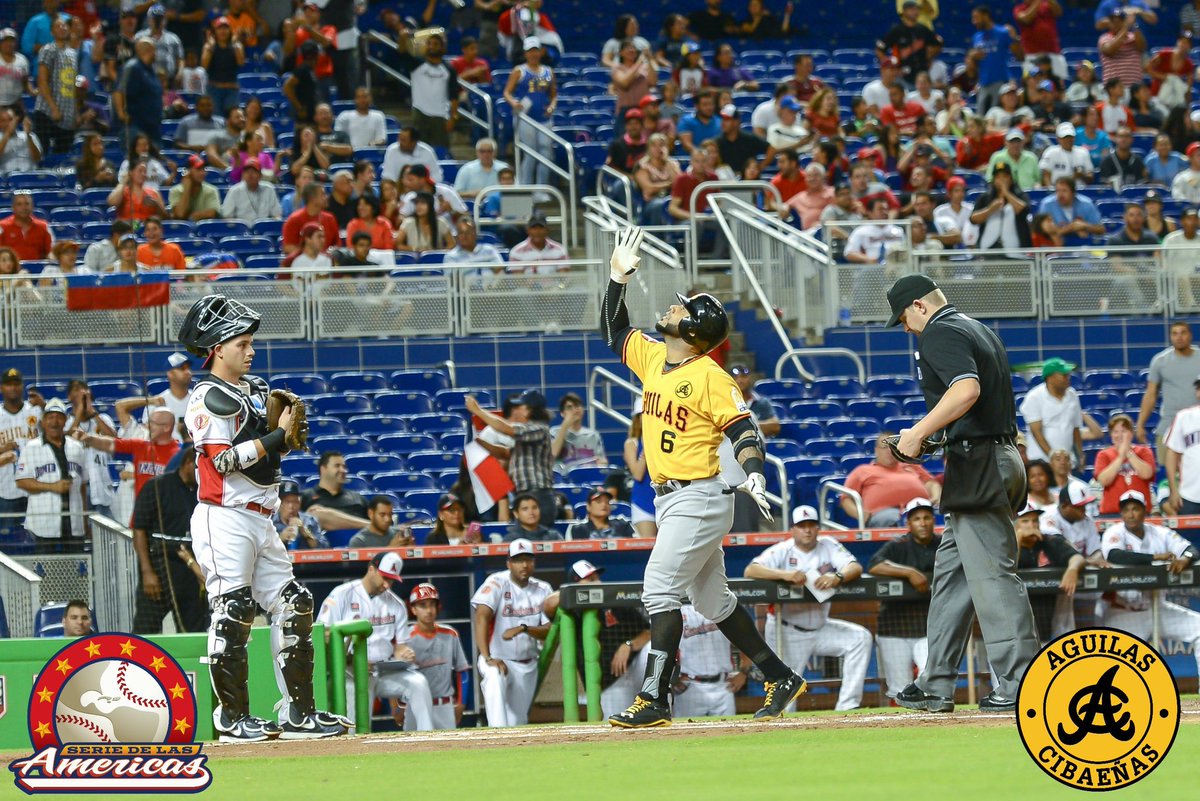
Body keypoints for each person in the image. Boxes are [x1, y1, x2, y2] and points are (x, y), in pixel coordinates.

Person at [600, 228, 806, 728]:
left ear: (692, 329)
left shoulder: (712, 376)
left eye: (680, 308)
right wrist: (615, 280)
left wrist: (754, 472)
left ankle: (653, 697)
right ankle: (779, 675)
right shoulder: (654, 357)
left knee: (658, 588)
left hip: (699, 496)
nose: (671, 309)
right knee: (711, 598)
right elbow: (614, 332)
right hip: (673, 499)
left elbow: (742, 428)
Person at [178, 294, 348, 741]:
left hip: (261, 516)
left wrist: (284, 438)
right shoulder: (205, 396)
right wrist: (277, 435)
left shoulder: (254, 388)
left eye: (251, 342)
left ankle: (298, 713)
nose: (251, 350)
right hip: (224, 515)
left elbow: (269, 453)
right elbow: (223, 463)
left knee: (295, 602)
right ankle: (230, 717)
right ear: (216, 348)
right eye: (242, 343)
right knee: (233, 610)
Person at [885, 273, 1038, 713]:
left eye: (904, 319)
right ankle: (935, 683)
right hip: (992, 456)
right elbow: (980, 403)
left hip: (982, 465)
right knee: (951, 579)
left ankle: (1020, 680)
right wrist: (934, 439)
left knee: (992, 578)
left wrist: (917, 432)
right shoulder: (977, 327)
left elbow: (966, 390)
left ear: (919, 306)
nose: (907, 329)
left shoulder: (938, 331)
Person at [744, 505, 872, 711]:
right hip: (788, 630)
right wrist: (785, 575)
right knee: (787, 698)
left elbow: (855, 567)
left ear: (818, 528)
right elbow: (751, 570)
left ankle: (847, 706)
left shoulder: (828, 545)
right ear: (793, 529)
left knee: (860, 638)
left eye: (811, 525)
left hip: (821, 628)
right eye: (802, 526)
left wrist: (837, 576)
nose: (807, 530)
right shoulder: (783, 550)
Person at [316, 552, 436, 731]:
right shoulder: (342, 595)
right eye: (385, 578)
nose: (387, 585)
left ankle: (423, 738)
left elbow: (400, 645)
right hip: (351, 672)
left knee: (418, 683)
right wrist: (351, 659)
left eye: (392, 580)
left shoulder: (395, 604)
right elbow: (323, 635)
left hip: (383, 670)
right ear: (371, 569)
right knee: (355, 728)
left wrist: (403, 654)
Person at [1099, 490, 1200, 676]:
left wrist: (1185, 559)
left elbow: (1190, 549)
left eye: (1135, 509)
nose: (1131, 514)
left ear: (1145, 511)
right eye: (1126, 509)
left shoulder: (1160, 533)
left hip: (1158, 608)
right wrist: (1155, 557)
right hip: (1124, 614)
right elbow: (1115, 555)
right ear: (1121, 513)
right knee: (1115, 666)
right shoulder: (1114, 532)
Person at [543, 559, 652, 718]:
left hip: (635, 668)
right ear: (575, 584)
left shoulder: (614, 600)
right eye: (591, 580)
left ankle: (660, 693)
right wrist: (576, 594)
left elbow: (650, 632)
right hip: (610, 684)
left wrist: (628, 645)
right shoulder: (573, 610)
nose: (598, 583)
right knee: (617, 728)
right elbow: (548, 604)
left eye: (597, 578)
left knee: (653, 649)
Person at [471, 538, 554, 726]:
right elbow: (481, 616)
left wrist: (523, 628)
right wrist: (487, 656)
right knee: (493, 676)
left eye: (528, 559)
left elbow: (548, 630)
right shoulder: (497, 582)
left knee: (518, 721)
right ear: (509, 563)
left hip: (527, 663)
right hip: (498, 657)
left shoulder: (543, 588)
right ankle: (496, 734)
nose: (524, 565)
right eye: (518, 560)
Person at [865, 497, 939, 698]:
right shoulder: (898, 545)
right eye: (917, 519)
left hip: (928, 628)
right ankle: (904, 725)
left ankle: (931, 726)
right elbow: (874, 565)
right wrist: (909, 572)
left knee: (929, 680)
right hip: (894, 628)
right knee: (899, 689)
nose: (922, 523)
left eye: (926, 517)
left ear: (933, 520)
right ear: (908, 523)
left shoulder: (943, 544)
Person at [129, 444, 206, 633]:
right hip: (159, 565)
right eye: (199, 468)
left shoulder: (204, 492)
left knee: (194, 631)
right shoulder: (157, 486)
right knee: (145, 631)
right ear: (187, 463)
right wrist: (147, 572)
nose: (202, 474)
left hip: (191, 569)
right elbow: (139, 530)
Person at [15, 398, 87, 553]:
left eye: (59, 417)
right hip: (44, 522)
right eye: (50, 417)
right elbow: (22, 481)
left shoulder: (77, 447)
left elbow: (82, 486)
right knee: (46, 571)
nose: (55, 422)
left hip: (74, 522)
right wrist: (52, 487)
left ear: (66, 420)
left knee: (77, 571)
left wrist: (85, 520)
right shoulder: (31, 447)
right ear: (43, 421)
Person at [400, 583, 471, 730]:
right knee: (412, 750)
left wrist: (461, 704)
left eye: (432, 604)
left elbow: (462, 671)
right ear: (413, 609)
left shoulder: (450, 634)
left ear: (438, 607)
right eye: (423, 605)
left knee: (448, 750)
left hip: (443, 705)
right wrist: (396, 706)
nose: (428, 610)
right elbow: (394, 673)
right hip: (414, 705)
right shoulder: (404, 638)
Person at [1014, 502, 1086, 643]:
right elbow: (1006, 567)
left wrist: (1072, 569)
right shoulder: (1005, 544)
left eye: (1035, 521)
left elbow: (1077, 557)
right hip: (1017, 612)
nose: (1032, 526)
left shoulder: (1048, 541)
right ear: (1014, 525)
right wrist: (1018, 538)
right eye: (1025, 521)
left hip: (1050, 609)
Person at [841, 434, 940, 527]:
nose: (889, 451)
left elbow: (931, 483)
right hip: (884, 514)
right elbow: (846, 498)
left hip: (920, 509)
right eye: (884, 447)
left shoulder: (911, 466)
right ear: (876, 450)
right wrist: (861, 514)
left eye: (893, 447)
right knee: (898, 519)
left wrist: (936, 496)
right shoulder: (863, 470)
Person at [1137, 322, 1200, 466]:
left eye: (1183, 333)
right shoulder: (1160, 361)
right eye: (1175, 333)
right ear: (1170, 337)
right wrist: (1140, 424)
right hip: (1169, 426)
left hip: (1197, 427)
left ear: (1190, 335)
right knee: (1168, 477)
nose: (1179, 337)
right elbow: (1150, 394)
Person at [504, 37, 556, 189]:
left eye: (536, 51)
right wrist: (514, 102)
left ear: (540, 52)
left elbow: (553, 94)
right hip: (525, 117)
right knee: (530, 153)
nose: (533, 54)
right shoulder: (519, 71)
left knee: (546, 153)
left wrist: (552, 106)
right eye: (530, 51)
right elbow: (507, 92)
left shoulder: (548, 71)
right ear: (525, 53)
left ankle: (542, 188)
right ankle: (525, 186)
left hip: (544, 118)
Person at [0, 368, 42, 539]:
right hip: (6, 489)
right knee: (7, 542)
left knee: (38, 535)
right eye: (9, 384)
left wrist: (45, 406)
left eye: (16, 384)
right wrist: (3, 449)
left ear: (22, 386)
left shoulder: (35, 412)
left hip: (35, 487)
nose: (13, 388)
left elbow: (57, 438)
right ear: (1, 388)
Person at [1020, 357, 1083, 465]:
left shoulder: (1072, 395)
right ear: (1050, 377)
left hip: (1067, 461)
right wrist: (1053, 457)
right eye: (1063, 375)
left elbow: (1075, 429)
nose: (1068, 378)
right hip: (1041, 461)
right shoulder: (1034, 397)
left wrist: (1080, 455)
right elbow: (1037, 432)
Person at [969, 6, 1017, 114]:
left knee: (996, 115)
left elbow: (1019, 55)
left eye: (976, 18)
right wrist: (972, 57)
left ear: (985, 16)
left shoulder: (1003, 32)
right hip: (983, 83)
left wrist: (1015, 38)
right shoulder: (976, 37)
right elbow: (974, 65)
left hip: (1000, 80)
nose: (973, 21)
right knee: (980, 117)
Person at [1036, 178, 1103, 247]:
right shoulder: (1047, 204)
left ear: (1073, 193)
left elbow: (1101, 229)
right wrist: (1071, 228)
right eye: (1058, 191)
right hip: (1054, 247)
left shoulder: (1086, 203)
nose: (1060, 195)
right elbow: (1040, 230)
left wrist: (1085, 226)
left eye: (1064, 191)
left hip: (1084, 246)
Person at [550, 393, 606, 470]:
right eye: (569, 407)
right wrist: (565, 425)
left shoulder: (593, 435)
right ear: (562, 414)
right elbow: (552, 454)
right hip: (562, 478)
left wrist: (602, 463)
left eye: (577, 406)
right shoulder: (554, 432)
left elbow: (602, 461)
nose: (574, 410)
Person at [221, 158, 282, 223]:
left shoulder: (269, 189)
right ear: (243, 175)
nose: (250, 175)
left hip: (264, 229)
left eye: (254, 171)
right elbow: (227, 216)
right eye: (247, 172)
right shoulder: (235, 190)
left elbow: (277, 215)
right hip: (241, 231)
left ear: (260, 175)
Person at [1097, 9, 1145, 90]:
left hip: (1134, 89)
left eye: (1120, 21)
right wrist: (1125, 28)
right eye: (1113, 21)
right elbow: (1109, 50)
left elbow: (1141, 47)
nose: (1116, 24)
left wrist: (1134, 25)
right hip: (1113, 89)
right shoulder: (1104, 38)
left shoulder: (1134, 36)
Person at [0, 192, 53, 262]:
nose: (24, 207)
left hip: (38, 271)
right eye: (19, 204)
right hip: (10, 271)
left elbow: (50, 252)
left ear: (32, 206)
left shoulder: (43, 226)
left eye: (27, 204)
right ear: (13, 207)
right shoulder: (2, 226)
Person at [274, 479, 327, 550]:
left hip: (306, 560)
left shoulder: (309, 520)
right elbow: (262, 551)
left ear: (299, 503)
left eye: (295, 502)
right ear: (279, 504)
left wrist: (305, 533)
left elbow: (324, 548)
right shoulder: (271, 522)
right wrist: (280, 538)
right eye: (287, 502)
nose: (291, 507)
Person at [169, 155, 221, 222]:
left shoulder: (211, 190)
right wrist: (186, 189)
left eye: (203, 169)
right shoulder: (175, 191)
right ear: (188, 172)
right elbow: (180, 214)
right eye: (198, 169)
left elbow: (211, 213)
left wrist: (191, 217)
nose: (203, 173)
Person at [347, 495, 414, 548]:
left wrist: (411, 549)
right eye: (382, 515)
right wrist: (390, 549)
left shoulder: (398, 535)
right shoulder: (358, 541)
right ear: (371, 514)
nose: (387, 519)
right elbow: (363, 565)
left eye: (390, 514)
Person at [567, 487, 634, 540]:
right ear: (588, 506)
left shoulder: (623, 525)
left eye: (607, 502)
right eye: (599, 502)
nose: (604, 505)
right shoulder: (577, 529)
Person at [0, 104, 42, 172]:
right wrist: (7, 134)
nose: (9, 123)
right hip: (7, 177)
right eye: (4, 120)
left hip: (30, 174)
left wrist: (28, 135)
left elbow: (38, 158)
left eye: (11, 119)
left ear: (16, 120)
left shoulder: (30, 136)